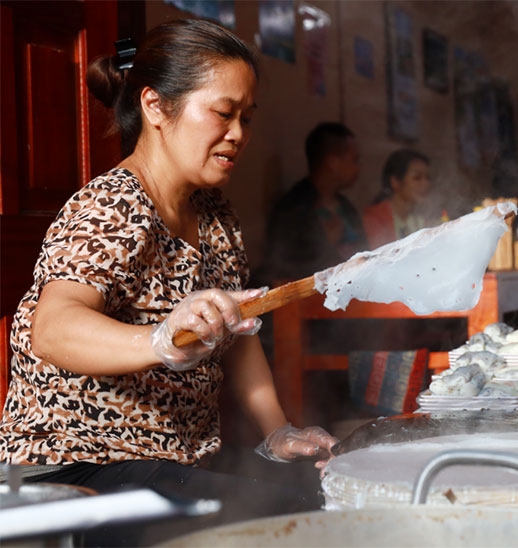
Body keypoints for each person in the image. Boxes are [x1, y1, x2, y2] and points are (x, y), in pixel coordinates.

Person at [0, 19, 336, 546]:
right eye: (223, 113)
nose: (239, 134)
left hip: (163, 466)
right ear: (156, 107)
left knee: (318, 500)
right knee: (284, 523)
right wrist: (158, 340)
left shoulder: (216, 217)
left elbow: (238, 336)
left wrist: (278, 431)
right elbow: (53, 328)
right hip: (73, 470)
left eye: (247, 117)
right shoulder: (114, 206)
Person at [262, 122, 367, 283]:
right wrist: (327, 244)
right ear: (332, 162)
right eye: (354, 160)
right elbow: (282, 269)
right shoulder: (293, 210)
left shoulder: (346, 207)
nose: (358, 168)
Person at [362, 148, 434, 249]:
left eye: (428, 178)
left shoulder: (422, 218)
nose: (425, 184)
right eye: (417, 177)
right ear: (395, 182)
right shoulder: (376, 218)